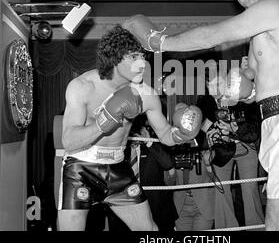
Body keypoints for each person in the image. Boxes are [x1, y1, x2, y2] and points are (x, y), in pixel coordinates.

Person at [122, 0, 279, 231]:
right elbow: (253, 83)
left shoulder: (275, 7)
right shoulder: (259, 34)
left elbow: (213, 35)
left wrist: (160, 42)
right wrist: (233, 88)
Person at [58, 25, 202, 231]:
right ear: (115, 59)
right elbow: (69, 141)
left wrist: (180, 135)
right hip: (81, 168)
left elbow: (164, 135)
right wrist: (105, 120)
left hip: (118, 168)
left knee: (150, 231)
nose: (142, 63)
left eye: (142, 57)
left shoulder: (145, 94)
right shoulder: (82, 87)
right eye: (134, 57)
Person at [198, 67, 264, 230]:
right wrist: (212, 130)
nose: (215, 86)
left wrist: (234, 129)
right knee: (222, 193)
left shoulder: (241, 94)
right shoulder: (203, 101)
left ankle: (256, 228)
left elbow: (254, 131)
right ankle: (226, 230)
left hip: (245, 147)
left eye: (218, 81)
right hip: (219, 150)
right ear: (206, 84)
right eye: (210, 82)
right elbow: (196, 123)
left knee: (250, 190)